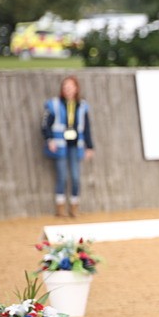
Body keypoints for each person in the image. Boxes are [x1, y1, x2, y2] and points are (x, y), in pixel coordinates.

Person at [42, 75, 95, 217]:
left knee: (76, 177)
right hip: (60, 145)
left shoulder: (82, 105)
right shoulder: (54, 104)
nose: (68, 90)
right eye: (65, 87)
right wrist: (49, 139)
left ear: (76, 89)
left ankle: (74, 206)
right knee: (62, 177)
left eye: (70, 87)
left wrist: (89, 146)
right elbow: (45, 125)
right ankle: (60, 208)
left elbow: (87, 127)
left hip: (75, 145)